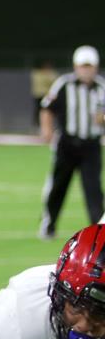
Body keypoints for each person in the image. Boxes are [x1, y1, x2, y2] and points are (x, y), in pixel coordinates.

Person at [38, 46, 105, 240]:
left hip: (91, 145)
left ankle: (98, 234)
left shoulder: (101, 87)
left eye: (89, 66)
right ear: (76, 66)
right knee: (58, 185)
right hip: (67, 144)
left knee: (93, 190)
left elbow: (102, 117)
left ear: (96, 67)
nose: (86, 70)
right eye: (83, 66)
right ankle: (48, 224)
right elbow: (47, 107)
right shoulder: (63, 84)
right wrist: (47, 130)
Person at [32, 60, 58, 127]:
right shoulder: (38, 74)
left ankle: (47, 125)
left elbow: (55, 81)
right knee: (40, 110)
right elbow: (47, 81)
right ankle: (38, 124)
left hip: (47, 96)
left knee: (48, 110)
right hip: (39, 95)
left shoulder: (51, 74)